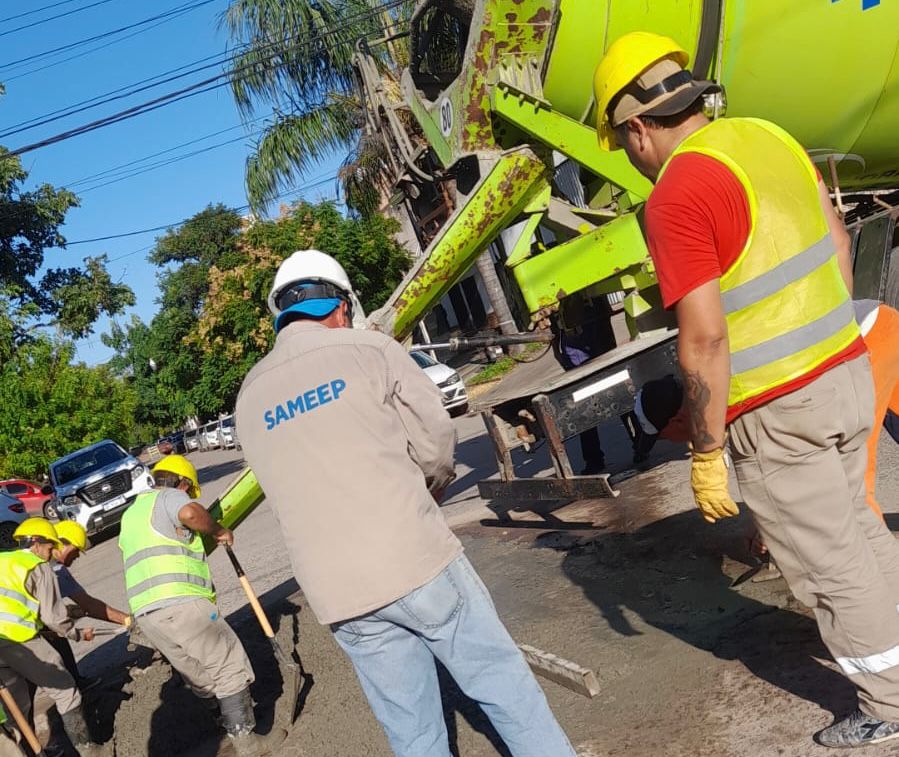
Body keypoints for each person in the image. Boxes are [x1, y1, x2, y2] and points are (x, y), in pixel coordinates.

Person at [594, 31, 899, 748]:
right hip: (844, 371)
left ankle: (888, 702)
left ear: (637, 127)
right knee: (857, 530)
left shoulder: (676, 195)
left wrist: (704, 450)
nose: (631, 161)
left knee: (828, 568)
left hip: (774, 409)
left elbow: (701, 340)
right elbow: (836, 244)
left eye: (624, 144)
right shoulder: (768, 137)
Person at [236, 249, 575, 757]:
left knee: (412, 732)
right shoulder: (368, 350)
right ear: (342, 304)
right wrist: (426, 489)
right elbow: (437, 442)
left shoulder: (249, 396)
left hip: (340, 595)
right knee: (502, 685)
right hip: (415, 562)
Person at [632, 302, 899, 522]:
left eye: (664, 437)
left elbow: (779, 467)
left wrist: (769, 528)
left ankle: (871, 571)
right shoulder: (707, 386)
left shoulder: (720, 403)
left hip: (862, 339)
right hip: (876, 319)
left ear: (677, 420)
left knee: (852, 471)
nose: (672, 445)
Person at [117, 455, 283, 756]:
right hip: (181, 602)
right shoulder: (168, 496)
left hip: (148, 615)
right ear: (183, 483)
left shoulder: (132, 514)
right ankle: (246, 743)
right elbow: (191, 514)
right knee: (228, 665)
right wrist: (218, 531)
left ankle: (225, 721)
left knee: (199, 675)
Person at [0, 518, 110, 756]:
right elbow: (54, 619)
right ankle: (88, 749)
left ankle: (27, 752)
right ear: (37, 543)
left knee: (17, 707)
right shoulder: (38, 566)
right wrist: (78, 633)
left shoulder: (3, 560)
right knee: (66, 690)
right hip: (20, 641)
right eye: (50, 547)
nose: (51, 553)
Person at [43, 521, 130, 692]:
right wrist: (79, 633)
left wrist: (127, 620)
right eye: (75, 550)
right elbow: (89, 606)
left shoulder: (57, 568)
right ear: (61, 544)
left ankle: (75, 683)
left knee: (57, 639)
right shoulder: (48, 570)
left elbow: (88, 604)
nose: (77, 557)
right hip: (13, 631)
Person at [552, 292, 615, 473]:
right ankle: (595, 457)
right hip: (578, 328)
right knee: (582, 399)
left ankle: (595, 458)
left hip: (588, 324)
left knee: (587, 397)